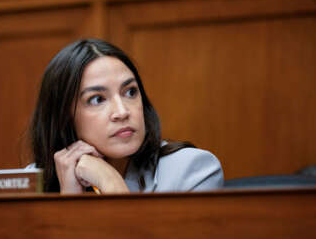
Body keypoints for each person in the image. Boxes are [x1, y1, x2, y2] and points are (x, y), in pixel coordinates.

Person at [27, 38, 223, 194]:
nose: (122, 112)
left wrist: (110, 183)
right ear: (64, 116)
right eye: (97, 99)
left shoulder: (191, 170)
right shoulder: (32, 182)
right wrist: (69, 198)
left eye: (130, 92)